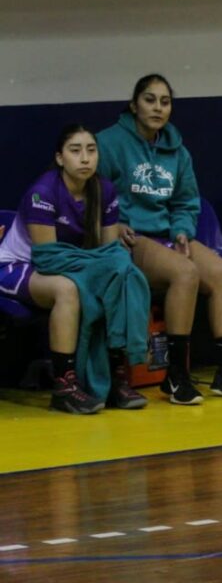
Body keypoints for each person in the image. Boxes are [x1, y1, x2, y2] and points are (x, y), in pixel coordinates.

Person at [97, 74, 222, 405]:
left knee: (221, 274)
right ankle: (175, 376)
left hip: (166, 234)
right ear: (134, 105)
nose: (158, 107)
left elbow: (185, 202)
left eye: (165, 101)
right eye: (150, 100)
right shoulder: (108, 143)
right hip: (130, 237)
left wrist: (181, 229)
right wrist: (113, 223)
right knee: (184, 273)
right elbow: (93, 193)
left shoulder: (178, 150)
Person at [0, 124, 149, 414]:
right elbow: (48, 259)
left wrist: (107, 270)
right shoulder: (42, 192)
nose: (85, 158)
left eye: (91, 151)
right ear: (59, 158)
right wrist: (95, 270)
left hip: (73, 263)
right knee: (67, 290)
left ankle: (114, 376)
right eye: (75, 151)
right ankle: (65, 387)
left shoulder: (104, 190)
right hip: (15, 266)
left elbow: (108, 254)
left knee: (119, 276)